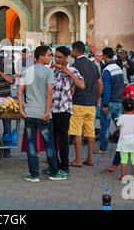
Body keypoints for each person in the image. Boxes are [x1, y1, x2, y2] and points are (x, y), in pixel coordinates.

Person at [17, 45, 66, 182]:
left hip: (30, 113)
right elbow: (50, 93)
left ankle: (34, 175)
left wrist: (21, 109)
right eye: (49, 55)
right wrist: (47, 112)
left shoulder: (27, 71)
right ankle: (54, 172)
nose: (51, 57)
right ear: (41, 57)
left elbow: (20, 91)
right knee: (49, 144)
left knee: (31, 145)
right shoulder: (48, 72)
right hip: (43, 114)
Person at [41, 46, 84, 177]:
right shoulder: (52, 70)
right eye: (56, 56)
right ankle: (53, 165)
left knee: (62, 139)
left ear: (66, 58)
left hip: (64, 110)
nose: (57, 59)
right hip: (51, 109)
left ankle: (64, 167)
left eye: (60, 57)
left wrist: (69, 73)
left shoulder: (73, 70)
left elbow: (82, 85)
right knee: (51, 139)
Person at [68, 41, 102, 167]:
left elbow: (74, 86)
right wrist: (97, 99)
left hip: (78, 102)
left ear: (75, 51)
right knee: (90, 132)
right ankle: (90, 158)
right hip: (91, 103)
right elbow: (100, 83)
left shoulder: (75, 65)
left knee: (77, 132)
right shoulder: (93, 65)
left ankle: (77, 159)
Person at [115, 98, 134, 182]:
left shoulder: (122, 117)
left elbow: (119, 128)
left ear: (123, 108)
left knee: (123, 159)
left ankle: (123, 176)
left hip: (124, 142)